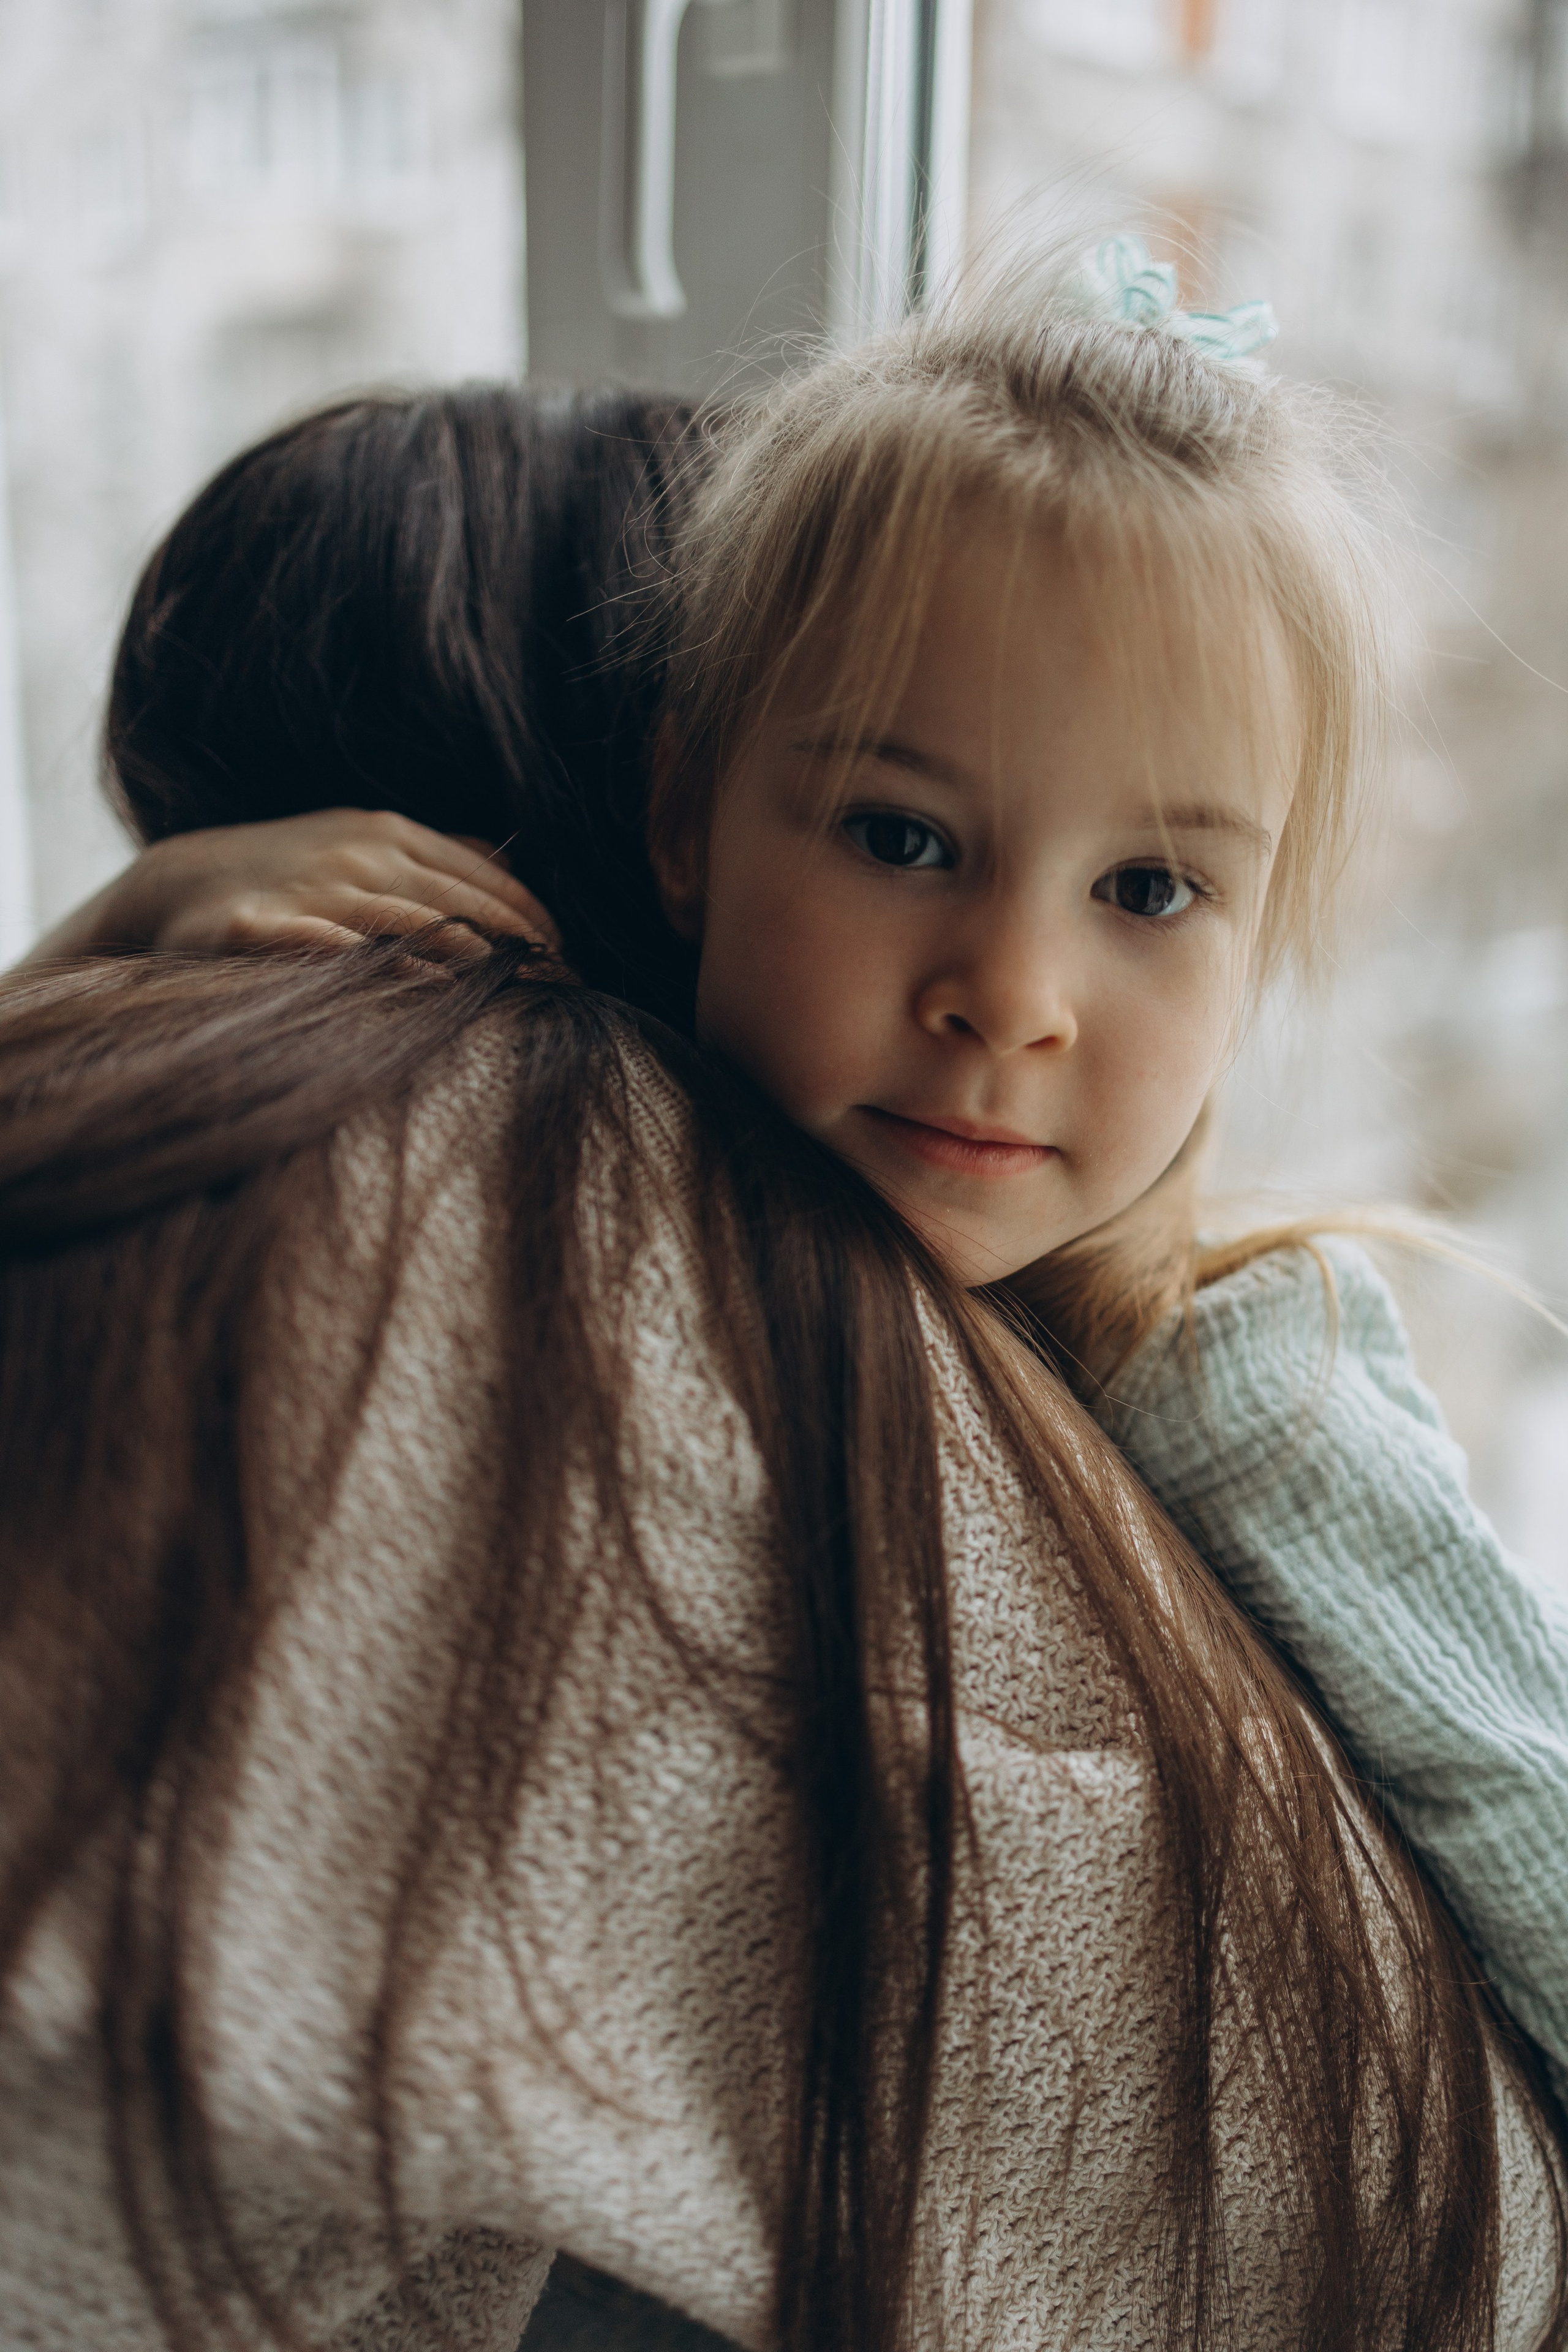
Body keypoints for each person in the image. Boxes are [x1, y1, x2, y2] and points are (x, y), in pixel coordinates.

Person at [2, 287, 1563, 2351]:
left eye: (1157, 892)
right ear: (675, 831)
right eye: (899, 838)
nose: (1009, 995)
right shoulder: (691, 1237)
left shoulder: (1246, 1374)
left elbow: (1523, 1813)